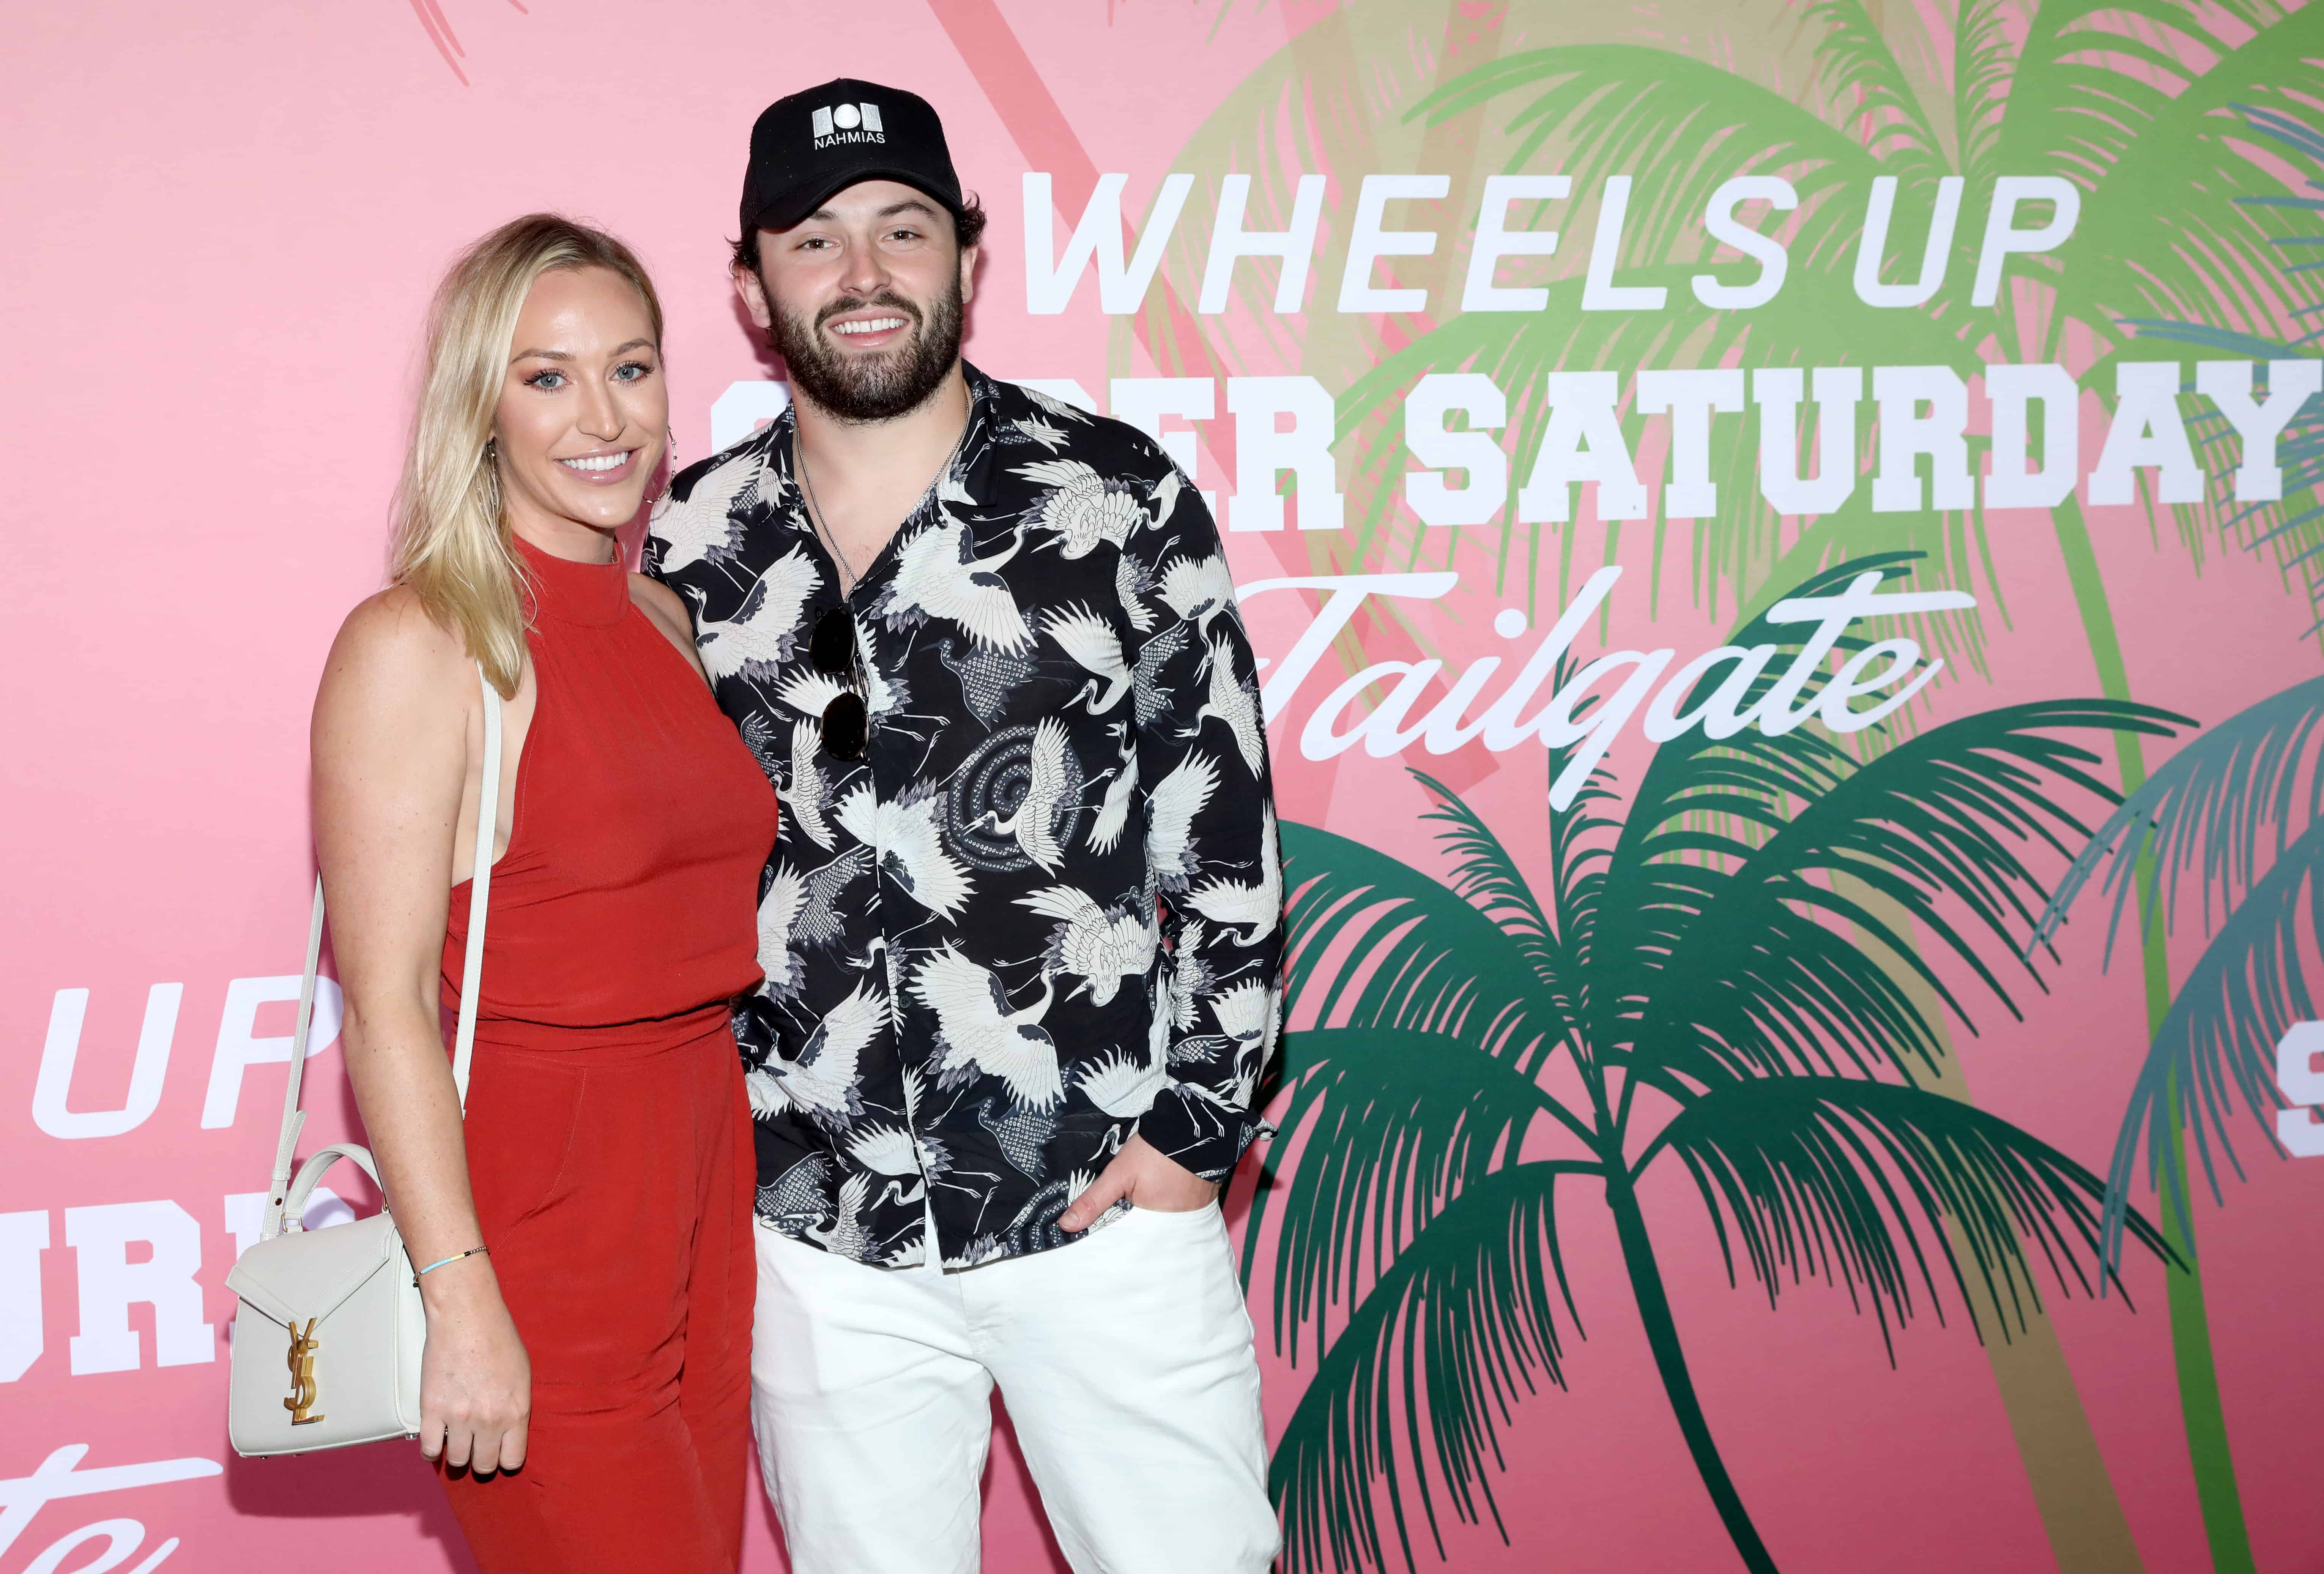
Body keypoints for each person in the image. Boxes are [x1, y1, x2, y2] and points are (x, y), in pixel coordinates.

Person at [649, 80, 1282, 1572]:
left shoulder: (1113, 497)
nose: (862, 276)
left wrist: (1196, 1131)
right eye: (815, 240)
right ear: (752, 284)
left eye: (901, 229)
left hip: (1104, 1205)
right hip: (822, 1238)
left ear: (968, 258)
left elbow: (1225, 826)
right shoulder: (688, 545)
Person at [312, 214, 775, 1574]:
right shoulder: (421, 641)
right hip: (539, 1199)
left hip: (700, 1163)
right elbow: (387, 1001)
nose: (605, 417)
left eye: (631, 369)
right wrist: (459, 1297)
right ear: (482, 406)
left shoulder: (660, 620)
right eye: (548, 376)